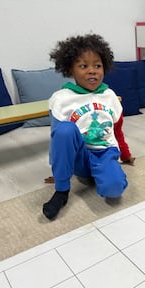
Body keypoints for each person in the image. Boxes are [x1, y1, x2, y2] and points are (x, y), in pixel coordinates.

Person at [43, 33, 134, 220]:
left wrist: (125, 155)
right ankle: (62, 192)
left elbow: (117, 131)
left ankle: (102, 173)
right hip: (80, 156)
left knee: (115, 190)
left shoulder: (110, 96)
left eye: (97, 65)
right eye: (83, 66)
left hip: (105, 152)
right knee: (65, 130)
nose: (92, 71)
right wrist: (60, 174)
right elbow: (58, 140)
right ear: (70, 70)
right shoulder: (62, 99)